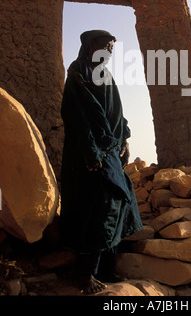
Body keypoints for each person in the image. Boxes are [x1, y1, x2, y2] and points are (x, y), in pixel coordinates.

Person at [59, 30, 143, 294]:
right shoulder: (78, 73)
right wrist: (92, 152)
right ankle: (85, 275)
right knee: (98, 208)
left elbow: (117, 113)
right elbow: (78, 116)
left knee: (117, 205)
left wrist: (125, 139)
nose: (108, 51)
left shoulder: (105, 75)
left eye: (111, 48)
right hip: (91, 154)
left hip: (111, 151)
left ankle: (106, 268)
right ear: (88, 45)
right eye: (103, 45)